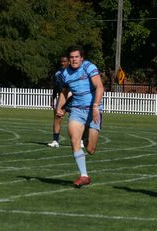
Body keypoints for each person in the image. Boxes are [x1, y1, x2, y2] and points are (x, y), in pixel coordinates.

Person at [56, 45, 104, 188]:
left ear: (81, 58)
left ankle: (88, 134)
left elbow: (99, 86)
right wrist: (60, 108)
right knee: (74, 140)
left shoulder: (89, 67)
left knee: (90, 150)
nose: (74, 60)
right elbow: (64, 93)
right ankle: (84, 176)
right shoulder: (65, 74)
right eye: (71, 57)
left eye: (77, 57)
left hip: (93, 109)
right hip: (77, 109)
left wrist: (95, 106)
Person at [47, 55, 71, 148]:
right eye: (61, 61)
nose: (62, 63)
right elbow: (55, 87)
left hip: (73, 96)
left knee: (78, 119)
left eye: (64, 61)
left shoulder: (74, 72)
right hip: (62, 96)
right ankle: (55, 141)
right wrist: (52, 99)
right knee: (57, 117)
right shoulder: (57, 74)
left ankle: (81, 140)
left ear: (69, 62)